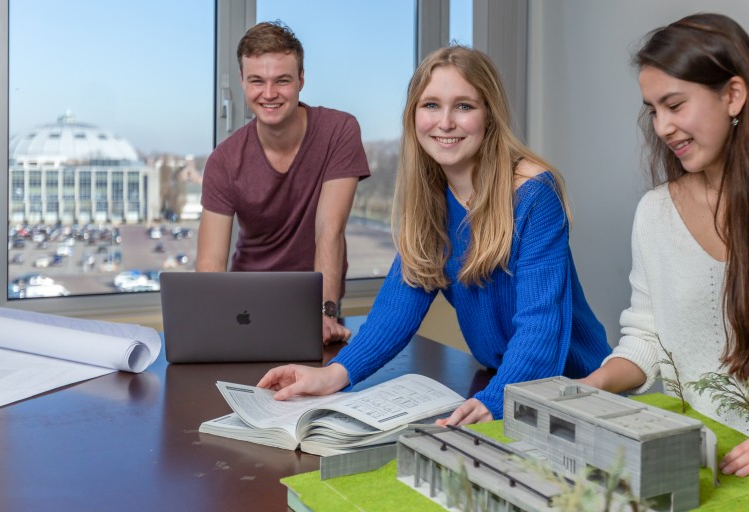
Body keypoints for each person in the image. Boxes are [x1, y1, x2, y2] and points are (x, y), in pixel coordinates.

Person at [257, 46, 610, 425]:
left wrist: (492, 402)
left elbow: (540, 328)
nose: (445, 122)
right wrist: (333, 375)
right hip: (506, 383)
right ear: (413, 117)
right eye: (430, 106)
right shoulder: (432, 200)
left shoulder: (534, 194)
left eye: (463, 106)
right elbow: (398, 306)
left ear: (489, 115)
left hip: (576, 390)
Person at [580, 13, 749, 477]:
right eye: (653, 110)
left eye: (675, 105)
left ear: (733, 95)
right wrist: (589, 386)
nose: (662, 127)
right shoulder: (655, 212)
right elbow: (648, 336)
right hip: (700, 444)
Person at [196, 21, 371, 344]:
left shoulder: (339, 131)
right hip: (245, 309)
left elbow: (329, 230)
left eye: (282, 80)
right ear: (242, 82)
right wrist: (210, 326)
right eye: (257, 81)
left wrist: (326, 313)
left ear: (301, 80)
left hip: (316, 304)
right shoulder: (223, 161)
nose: (269, 93)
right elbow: (210, 263)